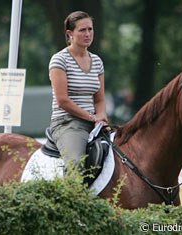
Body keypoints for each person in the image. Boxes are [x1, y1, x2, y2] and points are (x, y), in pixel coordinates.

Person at [48, 11, 108, 172]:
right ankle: (72, 196)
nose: (88, 34)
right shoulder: (59, 60)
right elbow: (63, 100)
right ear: (70, 34)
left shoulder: (97, 61)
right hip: (67, 123)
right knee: (75, 164)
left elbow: (100, 99)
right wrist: (91, 117)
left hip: (94, 123)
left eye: (90, 29)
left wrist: (101, 117)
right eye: (82, 30)